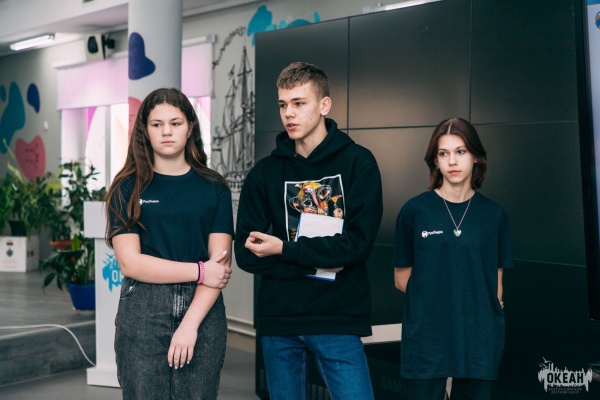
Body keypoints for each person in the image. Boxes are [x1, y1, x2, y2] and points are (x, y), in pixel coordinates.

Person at [235, 61, 383, 400]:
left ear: (324, 105)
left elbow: (357, 246)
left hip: (337, 318)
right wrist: (322, 259)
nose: (289, 113)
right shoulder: (264, 173)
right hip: (280, 320)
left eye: (299, 103)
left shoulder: (358, 162)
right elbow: (246, 252)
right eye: (283, 105)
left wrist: (283, 250)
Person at [105, 87, 234, 400]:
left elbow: (219, 268)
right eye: (157, 124)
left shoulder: (214, 187)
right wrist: (199, 271)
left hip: (202, 311)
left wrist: (190, 325)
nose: (166, 131)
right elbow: (130, 263)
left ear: (190, 128)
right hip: (143, 309)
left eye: (175, 123)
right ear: (145, 130)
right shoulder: (127, 188)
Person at [393, 117, 513, 400]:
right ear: (435, 161)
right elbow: (401, 279)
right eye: (444, 153)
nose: (453, 161)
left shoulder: (494, 215)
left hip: (479, 339)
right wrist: (446, 302)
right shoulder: (415, 211)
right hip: (427, 336)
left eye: (461, 151)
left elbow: (496, 286)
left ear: (476, 157)